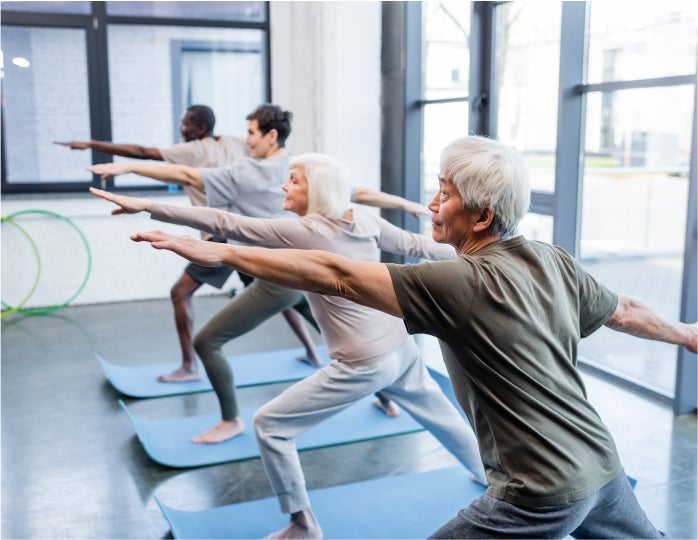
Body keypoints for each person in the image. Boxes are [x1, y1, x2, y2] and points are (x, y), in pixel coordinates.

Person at [124, 136, 696, 539]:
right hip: (600, 465)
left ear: (481, 216)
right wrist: (688, 336)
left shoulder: (460, 281)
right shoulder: (552, 259)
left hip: (536, 492)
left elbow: (338, 275)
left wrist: (220, 251)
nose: (430, 205)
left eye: (444, 194)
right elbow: (624, 309)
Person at [91, 151, 487, 539]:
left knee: (269, 425)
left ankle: (303, 525)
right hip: (400, 348)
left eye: (294, 179)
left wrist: (145, 206)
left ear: (317, 189)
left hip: (362, 362)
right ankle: (488, 477)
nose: (284, 184)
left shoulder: (306, 230)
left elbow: (227, 222)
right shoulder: (361, 217)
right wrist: (484, 259)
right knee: (443, 417)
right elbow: (421, 246)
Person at [87, 107, 420, 440]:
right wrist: (404, 204)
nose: (245, 141)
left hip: (278, 278)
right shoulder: (307, 169)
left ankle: (230, 420)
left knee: (208, 342)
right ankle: (386, 397)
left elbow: (187, 176)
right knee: (329, 328)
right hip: (308, 273)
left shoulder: (246, 171)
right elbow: (359, 192)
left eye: (251, 133)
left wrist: (129, 167)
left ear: (271, 136)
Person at [57, 105, 323, 380]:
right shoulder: (237, 143)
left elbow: (145, 153)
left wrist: (95, 147)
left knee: (180, 292)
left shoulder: (194, 150)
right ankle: (314, 351)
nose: (181, 128)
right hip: (244, 232)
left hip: (222, 234)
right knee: (279, 293)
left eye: (186, 124)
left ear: (200, 129)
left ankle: (189, 366)